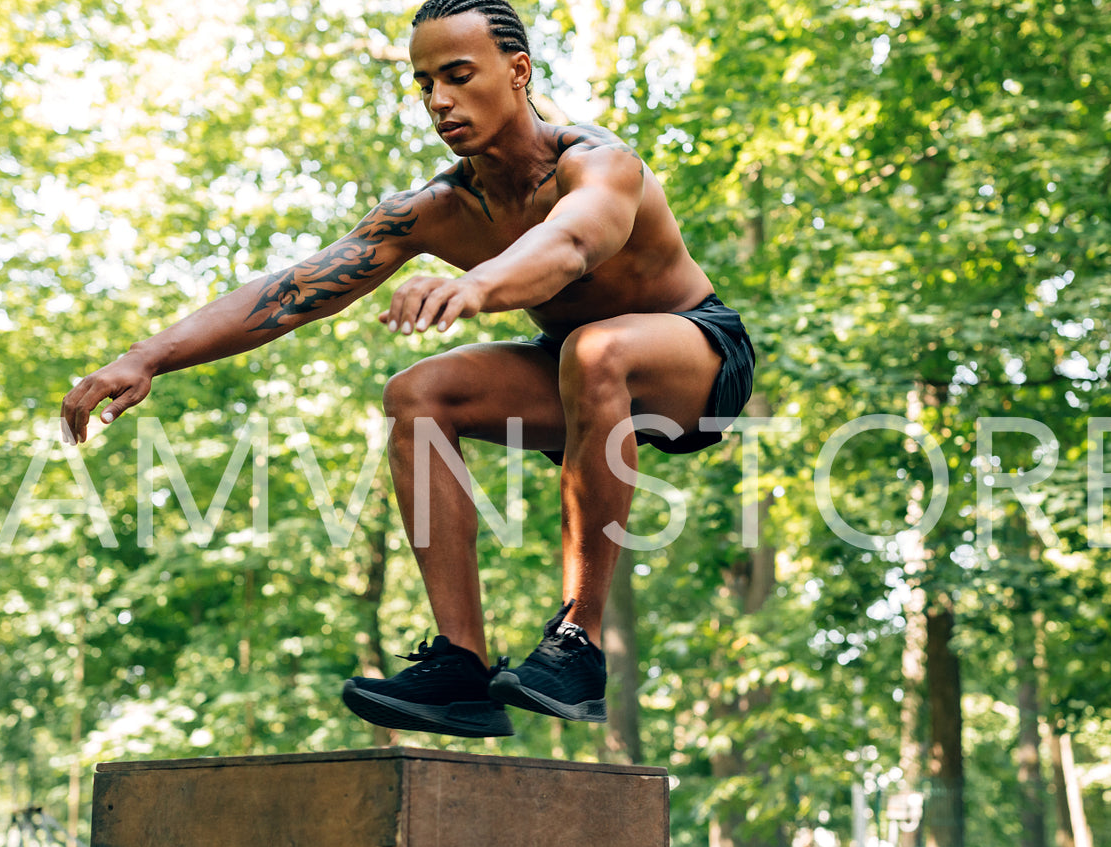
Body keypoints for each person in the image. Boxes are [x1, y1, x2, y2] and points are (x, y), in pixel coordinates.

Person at [60, 0, 755, 740]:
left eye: (458, 76)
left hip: (696, 361)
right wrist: (147, 356)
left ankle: (577, 643)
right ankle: (460, 665)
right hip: (573, 378)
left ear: (517, 72)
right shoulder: (436, 210)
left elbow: (571, 247)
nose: (439, 102)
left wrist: (476, 286)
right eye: (425, 85)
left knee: (597, 349)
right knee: (417, 393)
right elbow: (292, 291)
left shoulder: (598, 165)